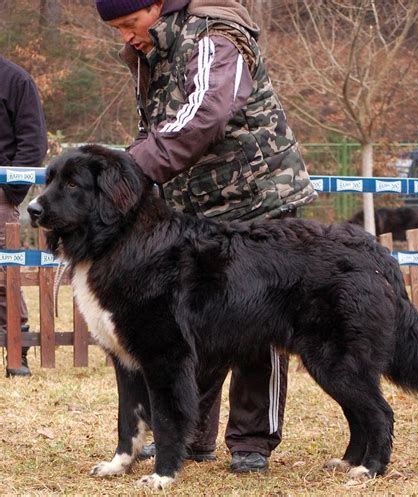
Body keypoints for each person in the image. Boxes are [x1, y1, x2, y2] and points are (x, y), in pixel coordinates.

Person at [95, 0, 316, 473]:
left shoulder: (217, 37)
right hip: (195, 208)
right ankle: (190, 434)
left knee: (262, 323)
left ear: (156, 6)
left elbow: (206, 115)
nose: (126, 37)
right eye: (117, 29)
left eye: (130, 24)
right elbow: (158, 125)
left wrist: (132, 169)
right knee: (193, 325)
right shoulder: (155, 50)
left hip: (261, 198)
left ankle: (252, 441)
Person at [0, 55, 48, 377]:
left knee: (5, 272)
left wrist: (8, 192)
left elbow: (33, 143)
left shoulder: (15, 81)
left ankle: (19, 350)